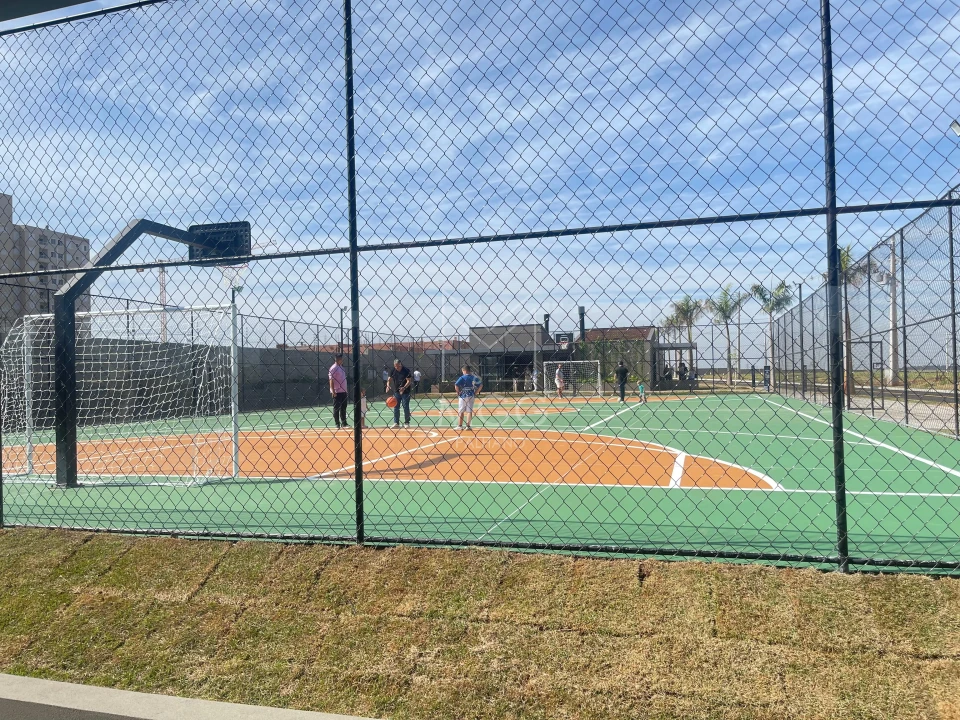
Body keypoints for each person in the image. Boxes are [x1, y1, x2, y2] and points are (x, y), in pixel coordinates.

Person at [386, 358, 413, 428]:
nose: (397, 368)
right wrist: (388, 385)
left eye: (398, 366)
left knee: (405, 407)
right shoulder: (393, 370)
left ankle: (407, 422)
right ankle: (396, 423)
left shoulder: (406, 370)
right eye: (395, 366)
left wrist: (404, 388)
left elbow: (409, 381)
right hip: (396, 392)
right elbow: (389, 380)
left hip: (405, 392)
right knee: (396, 407)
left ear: (401, 364)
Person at [455, 364, 482, 430]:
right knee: (469, 411)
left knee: (461, 411)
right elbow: (480, 385)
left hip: (463, 395)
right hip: (471, 395)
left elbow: (456, 385)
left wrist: (458, 392)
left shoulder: (462, 378)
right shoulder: (474, 377)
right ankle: (468, 426)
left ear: (464, 371)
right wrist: (475, 392)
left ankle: (460, 425)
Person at [329, 353, 348, 429]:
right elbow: (331, 380)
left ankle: (344, 423)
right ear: (338, 359)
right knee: (336, 408)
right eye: (341, 359)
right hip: (337, 392)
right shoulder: (333, 368)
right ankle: (337, 423)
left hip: (343, 391)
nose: (342, 360)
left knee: (343, 407)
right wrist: (333, 391)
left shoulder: (341, 367)